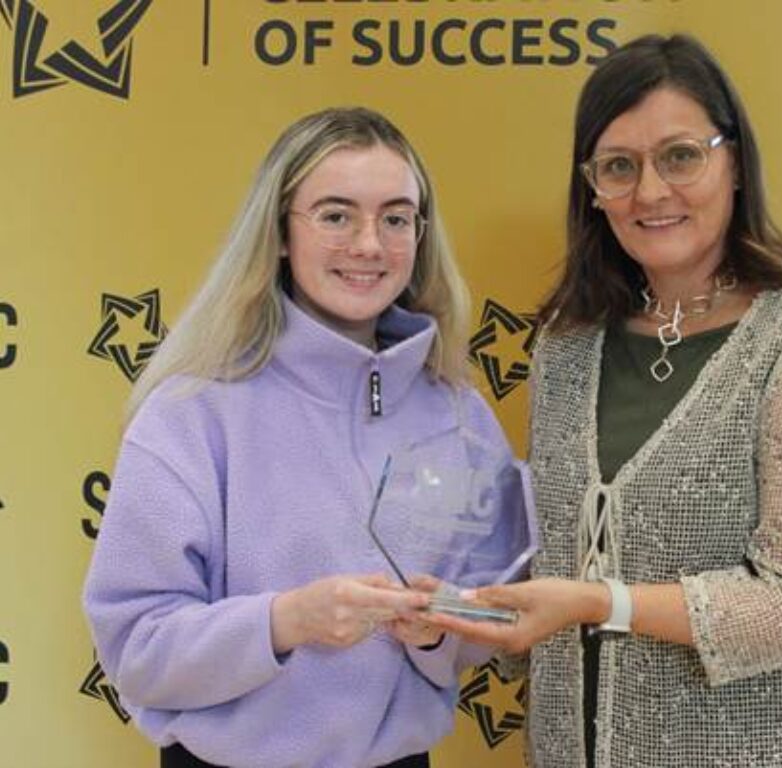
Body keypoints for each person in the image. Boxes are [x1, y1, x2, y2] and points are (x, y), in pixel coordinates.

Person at [426, 34, 782, 768]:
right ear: (592, 188)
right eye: (619, 166)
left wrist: (599, 603)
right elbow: (556, 552)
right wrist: (456, 608)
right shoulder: (568, 340)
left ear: (734, 163)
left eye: (680, 156)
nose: (649, 192)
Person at [83, 107, 511, 768]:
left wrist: (438, 632)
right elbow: (135, 646)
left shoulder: (459, 415)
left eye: (396, 218)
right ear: (280, 232)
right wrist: (285, 622)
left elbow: (495, 618)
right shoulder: (191, 412)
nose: (369, 245)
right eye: (336, 215)